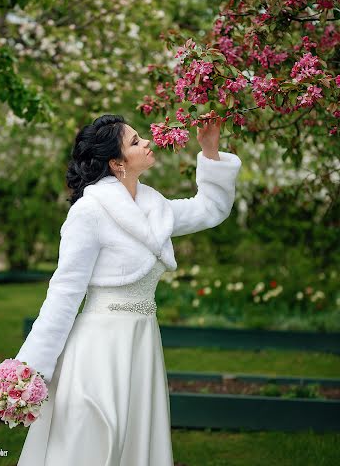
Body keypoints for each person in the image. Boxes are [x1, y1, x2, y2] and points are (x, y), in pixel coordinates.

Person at [15, 111, 242, 466]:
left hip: (142, 342)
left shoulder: (156, 207)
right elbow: (64, 293)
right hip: (97, 348)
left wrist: (210, 149)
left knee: (136, 443)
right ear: (117, 162)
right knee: (91, 439)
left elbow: (211, 209)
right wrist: (31, 369)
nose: (148, 141)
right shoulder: (88, 212)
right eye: (135, 141)